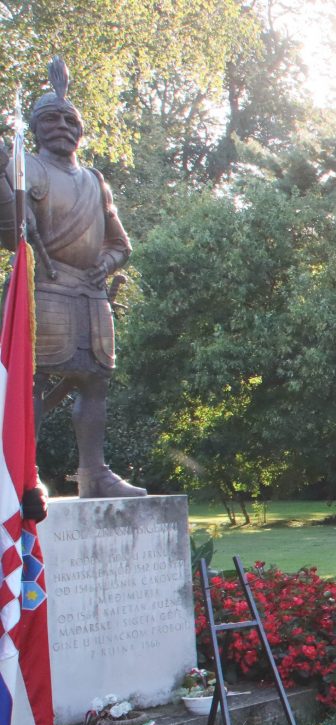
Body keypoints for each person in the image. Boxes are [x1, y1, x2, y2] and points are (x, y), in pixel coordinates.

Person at [0, 60, 143, 498]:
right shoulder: (23, 168)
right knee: (31, 382)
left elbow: (120, 243)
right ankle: (23, 476)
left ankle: (95, 473)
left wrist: (107, 263)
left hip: (91, 294)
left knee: (94, 382)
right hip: (44, 290)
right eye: (51, 119)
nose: (62, 127)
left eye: (69, 120)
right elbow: (10, 233)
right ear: (36, 128)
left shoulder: (96, 181)